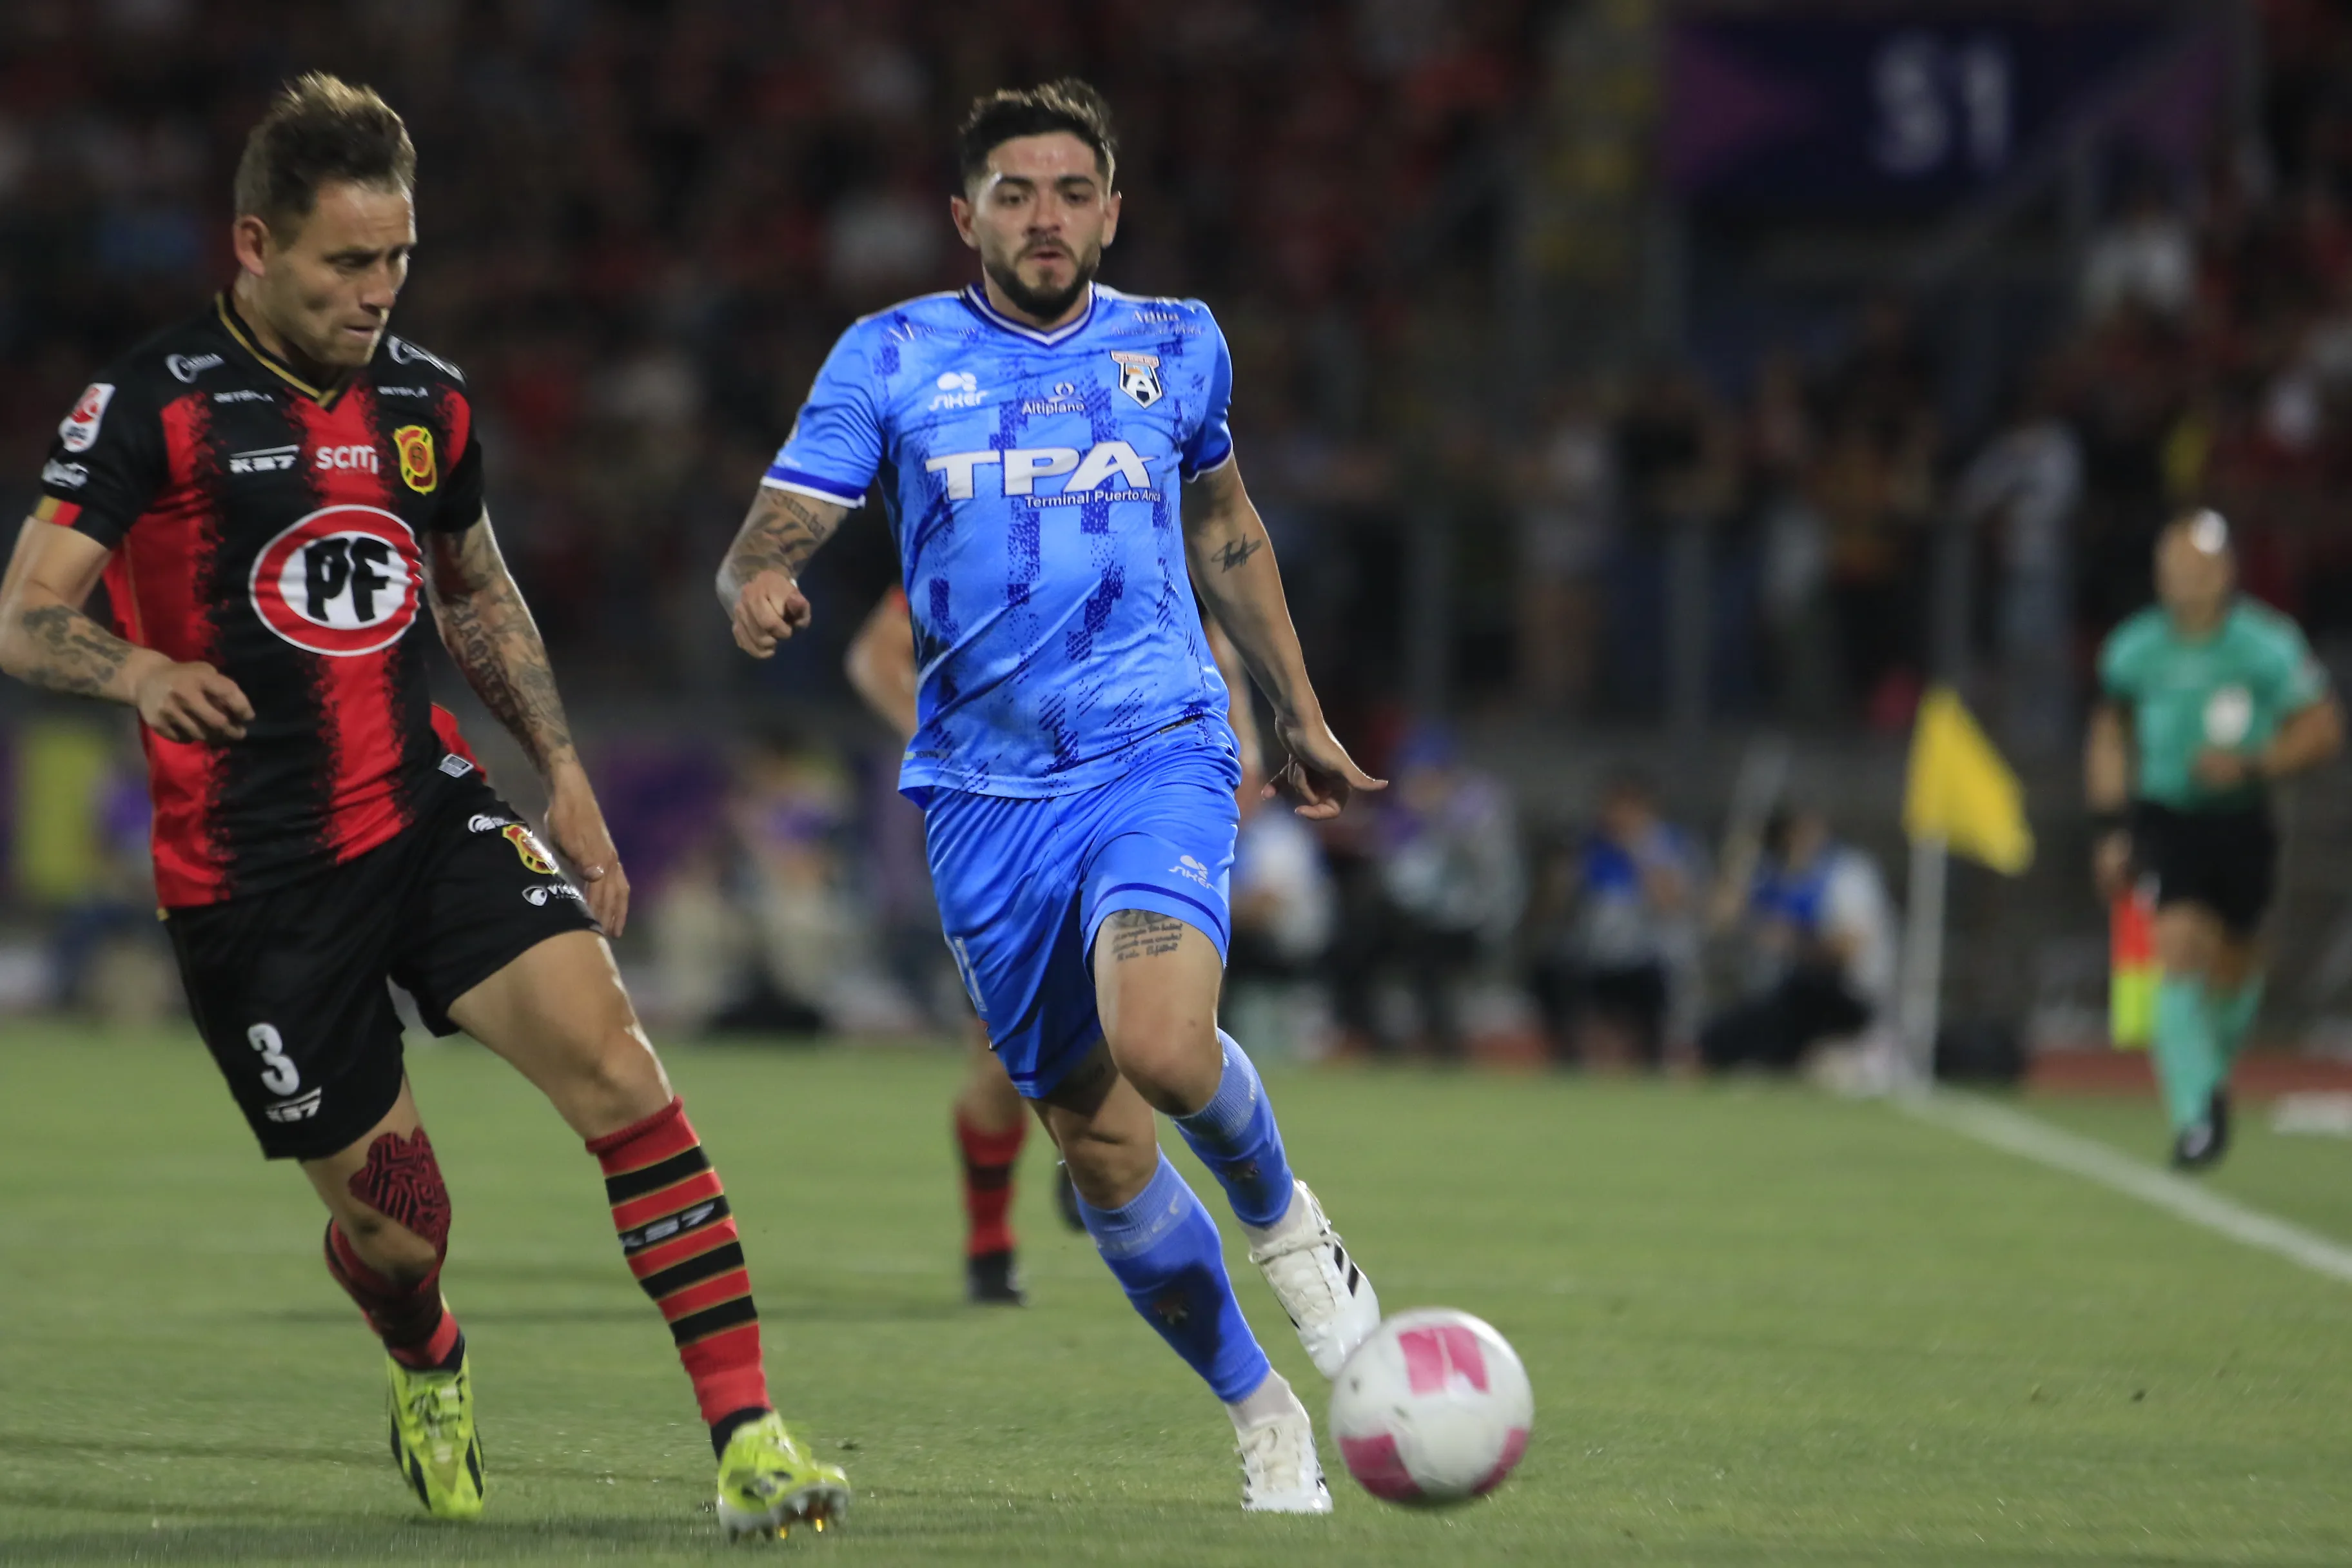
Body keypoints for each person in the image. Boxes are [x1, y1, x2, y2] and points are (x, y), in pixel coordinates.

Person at [0, 76, 845, 1540]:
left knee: (623, 1076)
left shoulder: (424, 399)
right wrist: (137, 666)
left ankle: (750, 1435)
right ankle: (425, 1353)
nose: (376, 292)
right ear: (255, 244)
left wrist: (563, 772)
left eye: (396, 259)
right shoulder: (153, 406)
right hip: (255, 882)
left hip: (424, 806)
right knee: (403, 1227)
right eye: (346, 263)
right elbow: (23, 615)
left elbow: (474, 587)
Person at [718, 80, 1384, 1514]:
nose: (1046, 217)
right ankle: (1261, 1411)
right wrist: (761, 576)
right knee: (1096, 1146)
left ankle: (1293, 1229)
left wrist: (1300, 708)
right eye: (1015, 194)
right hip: (980, 795)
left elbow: (1225, 525)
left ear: (1111, 211)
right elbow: (776, 530)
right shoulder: (890, 355)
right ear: (966, 216)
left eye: (1072, 191)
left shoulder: (1174, 343)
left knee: (1164, 1041)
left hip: (1156, 747)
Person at [2086, 512, 2344, 1168]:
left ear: (2226, 572)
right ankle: (2195, 1114)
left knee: (2234, 967)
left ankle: (2212, 1080)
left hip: (2242, 817)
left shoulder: (2266, 645)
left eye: (2197, 569)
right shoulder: (2134, 649)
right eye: (2173, 570)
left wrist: (2255, 760)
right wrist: (2112, 829)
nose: (2184, 583)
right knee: (2176, 945)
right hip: (2165, 817)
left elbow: (2321, 727)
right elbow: (2110, 734)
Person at [1700, 805, 1896, 1073]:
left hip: (1845, 993)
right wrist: (1738, 868)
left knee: (1792, 999)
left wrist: (1793, 941)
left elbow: (1848, 947)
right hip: (1787, 994)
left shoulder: (1847, 873)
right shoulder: (1774, 875)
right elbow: (1719, 919)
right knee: (1724, 1030)